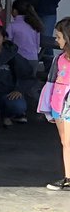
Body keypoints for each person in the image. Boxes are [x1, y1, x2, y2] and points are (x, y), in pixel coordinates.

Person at [38, 18, 70, 190]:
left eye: (58, 36)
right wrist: (48, 106)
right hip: (58, 104)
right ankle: (68, 177)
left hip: (69, 107)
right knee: (65, 142)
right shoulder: (59, 59)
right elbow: (51, 82)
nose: (56, 40)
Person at [7, 0, 43, 71]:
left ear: (14, 11)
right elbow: (37, 44)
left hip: (18, 59)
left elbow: (7, 43)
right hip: (33, 59)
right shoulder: (34, 24)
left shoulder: (12, 25)